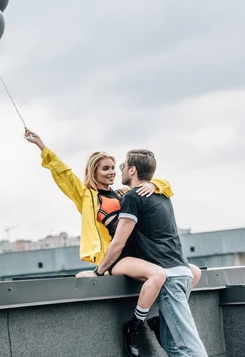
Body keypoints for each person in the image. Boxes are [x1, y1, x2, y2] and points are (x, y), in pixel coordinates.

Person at [24, 129, 201, 356]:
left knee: (191, 271)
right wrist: (42, 146)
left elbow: (160, 183)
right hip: (115, 259)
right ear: (94, 171)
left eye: (113, 168)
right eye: (105, 168)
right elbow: (64, 175)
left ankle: (160, 321)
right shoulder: (87, 198)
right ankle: (135, 327)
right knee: (159, 275)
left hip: (138, 257)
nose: (111, 173)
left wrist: (156, 185)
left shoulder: (123, 193)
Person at [78, 149, 207, 356]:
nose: (117, 171)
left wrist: (98, 272)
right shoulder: (162, 194)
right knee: (173, 347)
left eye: (121, 167)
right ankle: (158, 322)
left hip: (170, 278)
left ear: (132, 169)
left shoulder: (133, 197)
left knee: (189, 346)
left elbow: (119, 241)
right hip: (185, 273)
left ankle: (138, 325)